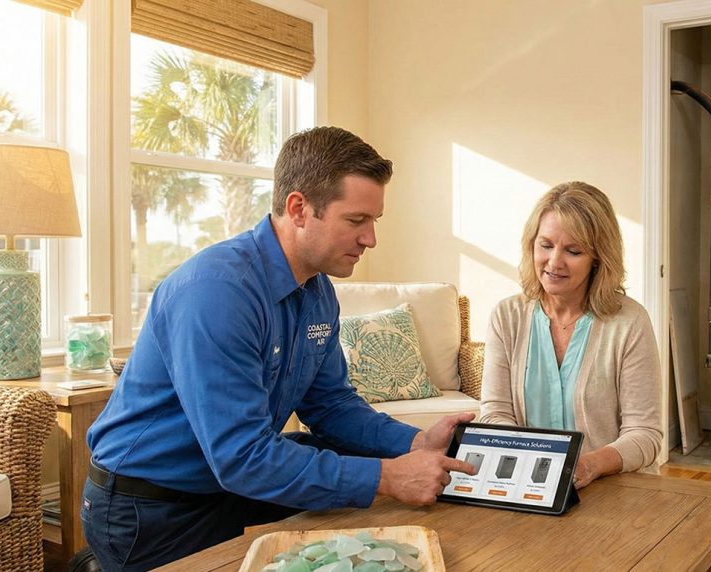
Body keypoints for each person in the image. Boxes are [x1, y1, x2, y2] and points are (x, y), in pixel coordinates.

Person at [82, 126, 475, 571]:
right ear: (299, 208)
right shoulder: (217, 292)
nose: (370, 239)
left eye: (374, 221)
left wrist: (415, 442)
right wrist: (387, 475)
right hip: (149, 509)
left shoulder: (318, 290)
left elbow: (331, 405)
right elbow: (242, 457)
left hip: (229, 488)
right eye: (356, 220)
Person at [479, 181, 662, 489]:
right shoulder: (506, 316)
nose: (554, 262)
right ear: (531, 244)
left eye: (573, 251)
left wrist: (589, 465)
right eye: (546, 245)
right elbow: (494, 415)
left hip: (617, 492)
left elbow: (645, 435)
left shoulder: (630, 322)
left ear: (598, 258)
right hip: (529, 487)